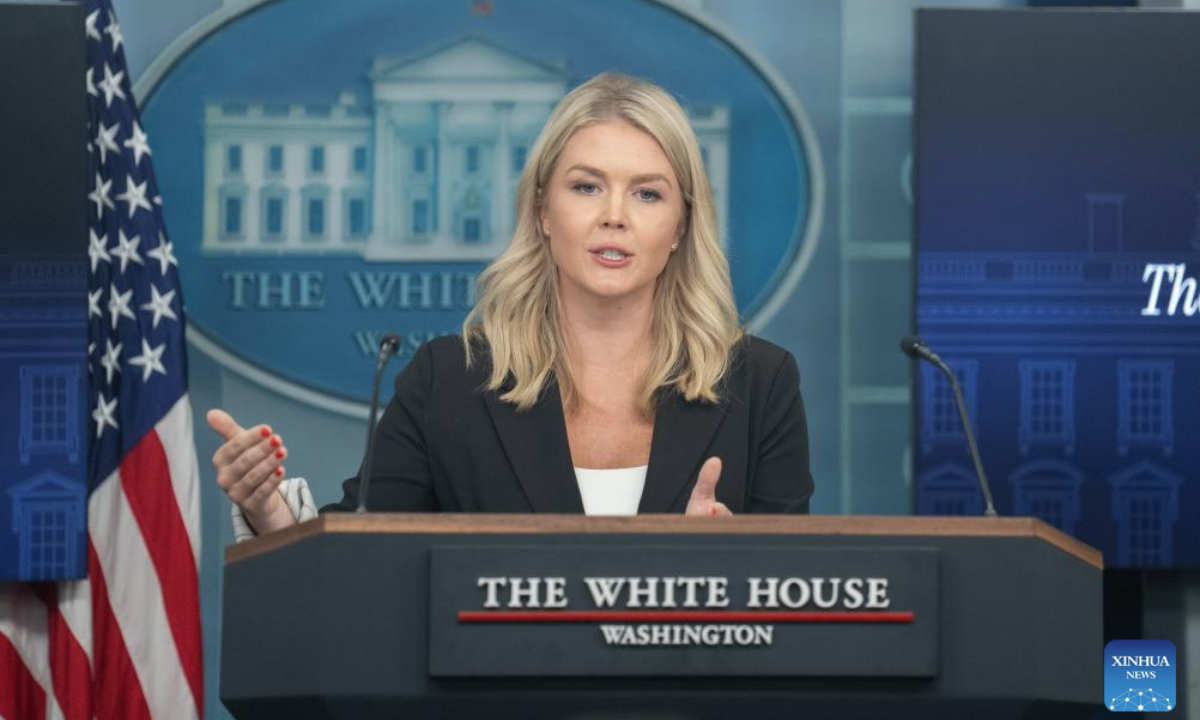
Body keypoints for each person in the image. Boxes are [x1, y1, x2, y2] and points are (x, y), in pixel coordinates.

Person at [207, 73, 815, 538]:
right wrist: (266, 510)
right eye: (586, 186)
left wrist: (732, 563)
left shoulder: (761, 384)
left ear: (681, 224)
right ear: (544, 211)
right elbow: (358, 557)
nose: (614, 215)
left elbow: (798, 605)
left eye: (647, 194)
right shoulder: (448, 381)